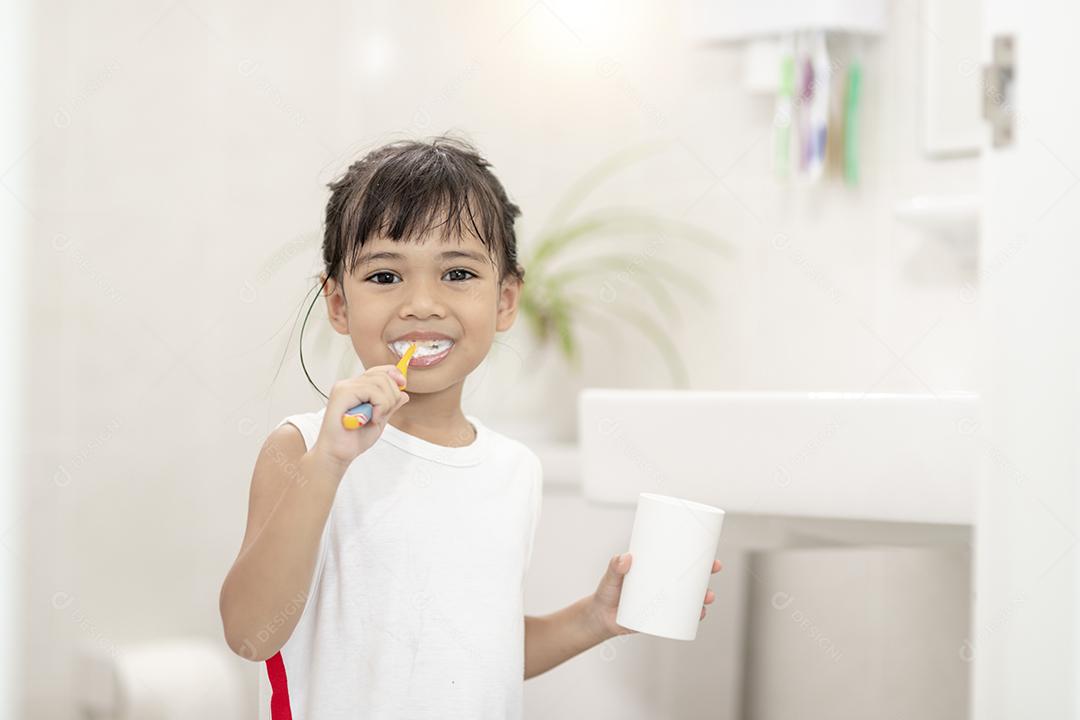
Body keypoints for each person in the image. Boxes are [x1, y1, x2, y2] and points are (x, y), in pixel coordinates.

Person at [218, 134, 721, 718]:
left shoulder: (514, 470)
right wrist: (328, 463)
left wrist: (594, 619)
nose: (422, 304)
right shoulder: (302, 447)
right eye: (385, 277)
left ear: (506, 300)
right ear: (337, 305)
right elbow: (252, 634)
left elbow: (478, 654)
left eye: (457, 274)